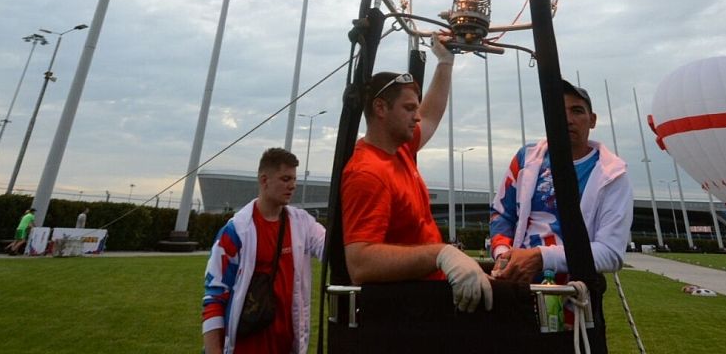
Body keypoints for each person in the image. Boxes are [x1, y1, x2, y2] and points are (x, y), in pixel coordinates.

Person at [341, 34, 492, 313]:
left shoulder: (401, 149)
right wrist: (440, 254)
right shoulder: (368, 173)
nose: (417, 115)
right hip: (406, 314)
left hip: (428, 297)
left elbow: (431, 115)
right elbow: (360, 262)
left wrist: (445, 63)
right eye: (409, 108)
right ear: (380, 108)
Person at [489, 80, 633, 284]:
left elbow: (610, 252)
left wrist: (541, 257)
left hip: (575, 295)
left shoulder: (613, 174)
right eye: (558, 111)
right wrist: (504, 255)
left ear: (592, 120)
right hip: (518, 284)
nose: (568, 119)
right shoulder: (526, 158)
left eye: (577, 111)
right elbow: (502, 214)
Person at [202, 147, 326, 354]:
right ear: (264, 180)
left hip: (287, 346)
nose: (293, 185)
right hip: (245, 346)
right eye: (285, 179)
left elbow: (328, 246)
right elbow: (214, 296)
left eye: (294, 179)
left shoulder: (302, 223)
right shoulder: (236, 231)